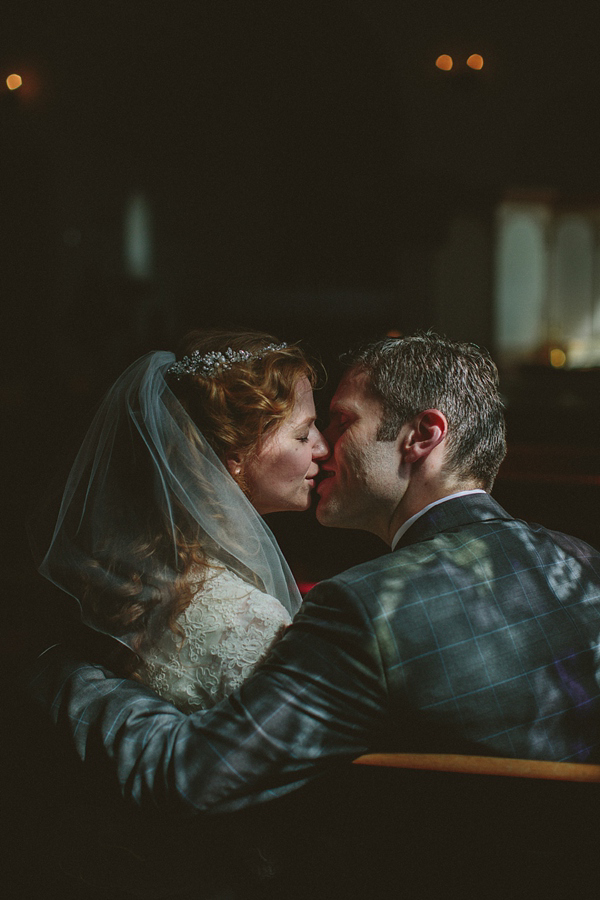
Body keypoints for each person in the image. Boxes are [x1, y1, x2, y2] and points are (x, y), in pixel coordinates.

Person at [26, 333, 600, 816]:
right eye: (309, 430)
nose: (324, 449)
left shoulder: (365, 608)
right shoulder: (584, 564)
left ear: (422, 436)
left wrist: (69, 674)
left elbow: (193, 775)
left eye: (342, 421)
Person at [31, 328, 328, 711]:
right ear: (234, 456)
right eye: (303, 434)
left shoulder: (127, 575)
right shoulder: (248, 620)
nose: (323, 446)